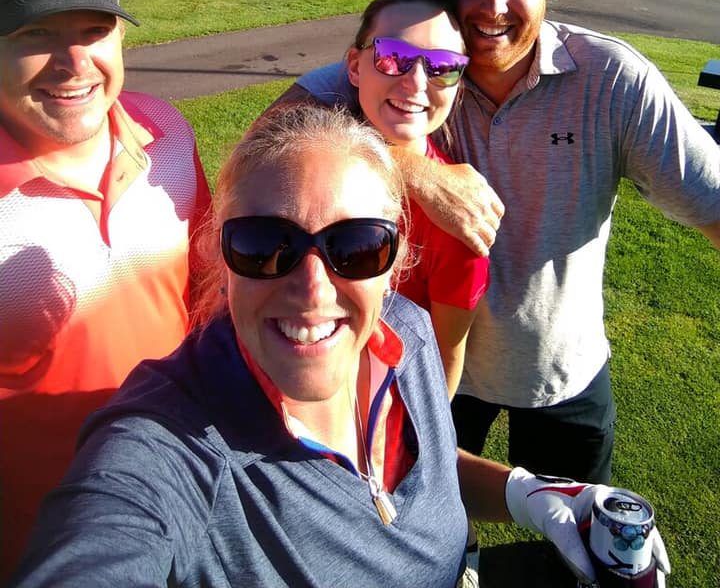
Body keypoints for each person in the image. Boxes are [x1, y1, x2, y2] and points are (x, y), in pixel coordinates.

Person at [8, 105, 669, 588]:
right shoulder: (168, 444)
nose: (313, 287)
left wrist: (525, 492)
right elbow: (106, 535)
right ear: (218, 252)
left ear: (396, 258)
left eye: (356, 247)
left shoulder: (405, 335)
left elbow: (419, 476)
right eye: (267, 246)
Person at [284, 0, 720, 486]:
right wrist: (419, 169)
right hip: (430, 367)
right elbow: (276, 134)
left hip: (561, 368)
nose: (492, 7)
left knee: (576, 534)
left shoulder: (612, 79)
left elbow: (714, 204)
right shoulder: (416, 62)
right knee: (434, 526)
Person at [0, 0, 211, 580]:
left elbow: (209, 300)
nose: (72, 63)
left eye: (94, 30)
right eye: (36, 34)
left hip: (184, 506)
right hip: (41, 550)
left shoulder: (168, 134)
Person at [346, 0, 489, 397]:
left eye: (443, 66)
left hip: (378, 421)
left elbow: (443, 361)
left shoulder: (457, 219)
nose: (416, 83)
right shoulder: (308, 157)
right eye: (394, 57)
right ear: (355, 66)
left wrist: (420, 451)